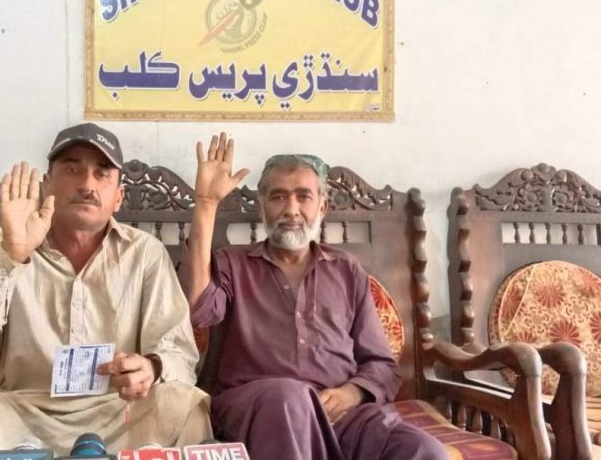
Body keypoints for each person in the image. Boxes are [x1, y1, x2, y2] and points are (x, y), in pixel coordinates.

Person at [0, 123, 212, 458]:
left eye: (102, 174)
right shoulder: (8, 244)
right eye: (72, 170)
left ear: (118, 197)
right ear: (48, 184)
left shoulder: (145, 252)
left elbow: (179, 353)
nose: (87, 185)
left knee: (187, 405)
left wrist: (151, 368)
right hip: (23, 411)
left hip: (120, 413)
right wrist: (10, 257)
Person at [180, 133, 448, 459]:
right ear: (261, 206)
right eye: (278, 197)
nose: (291, 209)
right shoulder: (233, 263)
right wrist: (206, 205)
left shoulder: (346, 269)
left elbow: (381, 364)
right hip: (261, 409)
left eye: (303, 196)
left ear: (322, 206)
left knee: (423, 450)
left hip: (340, 415)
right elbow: (199, 309)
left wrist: (352, 393)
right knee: (287, 398)